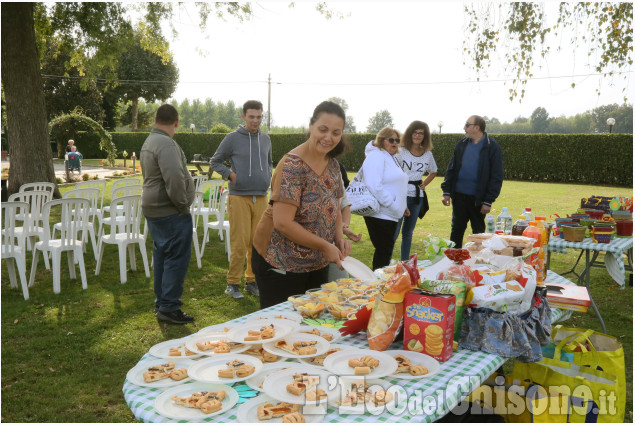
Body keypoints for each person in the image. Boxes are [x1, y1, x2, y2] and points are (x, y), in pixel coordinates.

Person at [252, 101, 352, 309]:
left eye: (336, 132)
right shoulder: (293, 165)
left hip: (316, 262)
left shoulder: (333, 165)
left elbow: (334, 206)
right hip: (280, 263)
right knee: (281, 326)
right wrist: (325, 245)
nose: (329, 138)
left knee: (312, 324)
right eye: (323, 130)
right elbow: (283, 223)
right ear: (311, 126)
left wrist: (338, 238)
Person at [210, 100, 272, 299]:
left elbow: (269, 163)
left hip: (261, 197)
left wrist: (267, 177)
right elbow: (215, 161)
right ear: (244, 117)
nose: (256, 120)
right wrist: (230, 175)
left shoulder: (266, 139)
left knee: (258, 243)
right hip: (238, 197)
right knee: (240, 242)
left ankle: (252, 281)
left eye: (259, 116)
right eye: (252, 116)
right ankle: (232, 283)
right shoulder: (232, 138)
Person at [140, 104, 196, 324]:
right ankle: (169, 306)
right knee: (175, 258)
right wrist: (182, 205)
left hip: (155, 208)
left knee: (163, 255)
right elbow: (173, 178)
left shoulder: (150, 141)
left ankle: (162, 301)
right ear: (176, 122)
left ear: (156, 119)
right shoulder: (166, 144)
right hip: (170, 210)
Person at [440, 115, 503, 248]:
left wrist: (488, 200)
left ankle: (479, 264)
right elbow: (451, 168)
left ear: (476, 127)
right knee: (456, 231)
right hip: (459, 196)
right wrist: (446, 191)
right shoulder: (461, 144)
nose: (464, 128)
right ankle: (454, 264)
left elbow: (496, 176)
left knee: (479, 234)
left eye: (467, 125)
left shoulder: (492, 146)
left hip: (479, 200)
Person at [360, 127, 408, 270]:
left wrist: (401, 205)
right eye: (391, 140)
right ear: (381, 141)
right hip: (381, 213)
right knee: (383, 255)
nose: (395, 143)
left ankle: (379, 284)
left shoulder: (388, 157)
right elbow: (374, 185)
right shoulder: (376, 156)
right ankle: (377, 285)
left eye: (397, 140)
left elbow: (394, 184)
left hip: (389, 214)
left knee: (384, 253)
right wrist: (393, 205)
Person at [393, 121, 437, 261]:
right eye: (415, 132)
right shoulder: (401, 151)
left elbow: (434, 171)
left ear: (425, 136)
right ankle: (385, 263)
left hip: (417, 197)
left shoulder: (427, 154)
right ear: (410, 133)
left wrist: (424, 183)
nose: (418, 136)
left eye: (421, 133)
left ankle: (405, 263)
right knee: (394, 232)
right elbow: (393, 172)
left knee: (408, 233)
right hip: (400, 195)